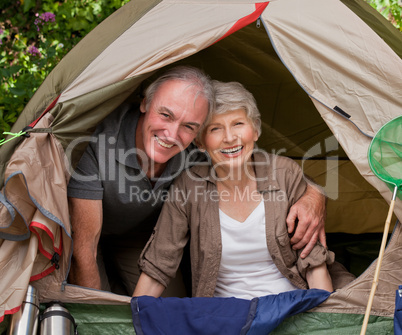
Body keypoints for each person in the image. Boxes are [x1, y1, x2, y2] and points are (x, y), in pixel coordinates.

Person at [67, 66, 327, 296]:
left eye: (189, 126)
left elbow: (274, 170)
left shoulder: (200, 150)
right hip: (90, 234)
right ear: (144, 103)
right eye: (166, 115)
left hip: (141, 235)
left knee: (168, 310)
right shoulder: (99, 144)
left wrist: (315, 197)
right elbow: (84, 250)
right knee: (96, 297)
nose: (172, 135)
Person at [133, 81, 339, 299]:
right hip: (226, 317)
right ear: (201, 142)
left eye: (238, 123)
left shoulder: (285, 173)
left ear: (256, 130)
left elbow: (314, 263)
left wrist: (323, 322)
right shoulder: (189, 184)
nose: (230, 137)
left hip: (289, 306)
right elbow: (159, 264)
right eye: (215, 128)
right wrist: (132, 322)